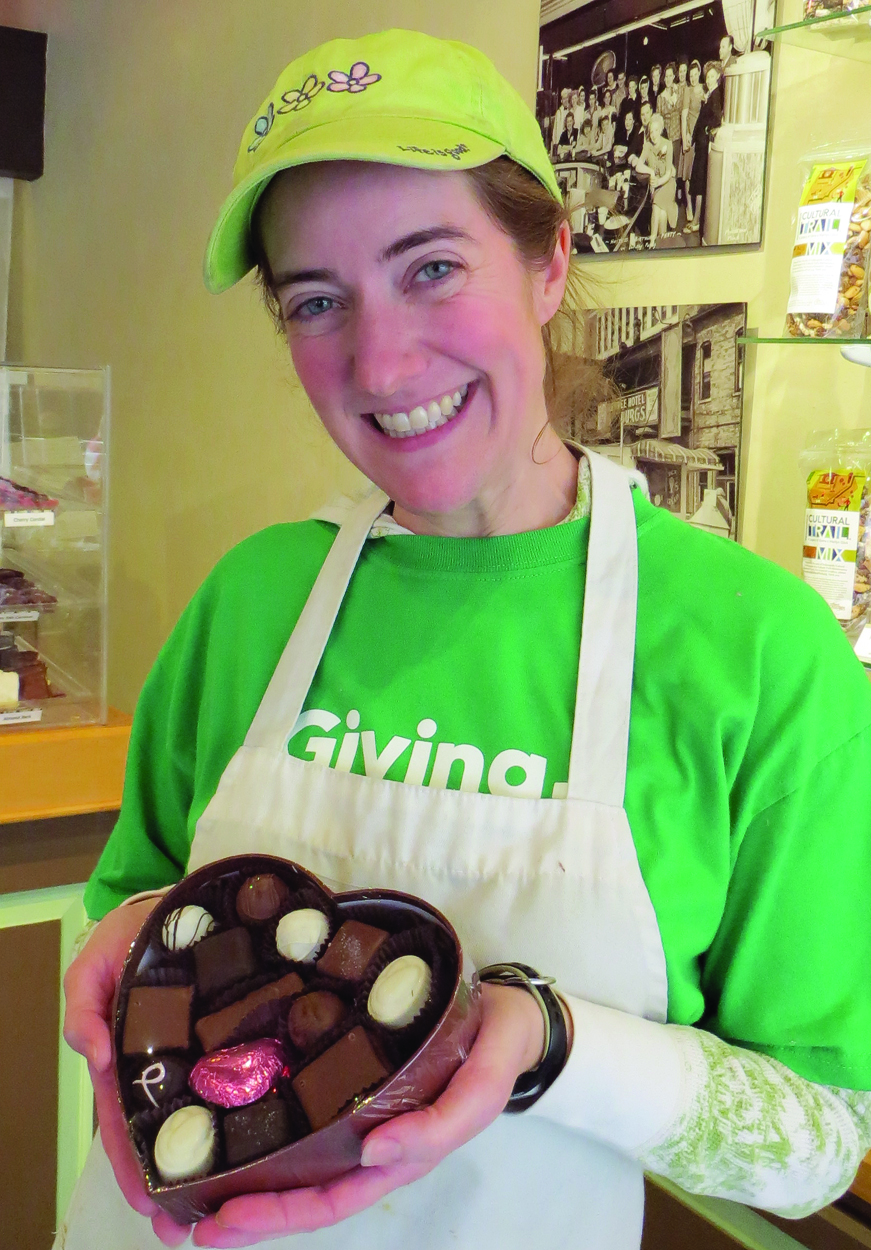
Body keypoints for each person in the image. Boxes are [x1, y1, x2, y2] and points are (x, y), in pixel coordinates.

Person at [57, 26, 871, 1250]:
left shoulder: (756, 650)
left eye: (431, 267)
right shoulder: (250, 599)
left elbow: (815, 1138)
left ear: (549, 262)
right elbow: (133, 901)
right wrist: (121, 950)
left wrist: (549, 1039)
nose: (381, 362)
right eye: (316, 301)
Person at [687, 60, 724, 237]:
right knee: (697, 183)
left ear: (717, 77)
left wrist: (706, 130)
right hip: (700, 145)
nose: (708, 80)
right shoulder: (710, 94)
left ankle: (696, 221)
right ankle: (696, 220)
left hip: (704, 146)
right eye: (707, 77)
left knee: (700, 184)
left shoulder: (715, 95)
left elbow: (716, 119)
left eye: (711, 76)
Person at [635, 111, 678, 247]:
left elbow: (669, 172)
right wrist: (651, 171)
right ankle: (661, 244)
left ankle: (653, 242)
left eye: (656, 130)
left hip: (667, 183)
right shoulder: (647, 145)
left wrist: (659, 181)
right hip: (656, 184)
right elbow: (638, 165)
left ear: (660, 130)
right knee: (662, 213)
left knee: (656, 206)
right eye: (651, 131)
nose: (653, 134)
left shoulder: (668, 144)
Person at [679, 58, 705, 223]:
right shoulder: (687, 91)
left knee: (698, 175)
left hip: (700, 138)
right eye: (691, 75)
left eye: (696, 75)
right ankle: (689, 206)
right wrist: (685, 137)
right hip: (689, 137)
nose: (693, 78)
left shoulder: (703, 89)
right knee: (687, 174)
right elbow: (683, 116)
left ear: (699, 74)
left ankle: (698, 210)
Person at [655, 62, 682, 179]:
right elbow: (658, 119)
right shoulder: (660, 97)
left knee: (675, 167)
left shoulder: (678, 92)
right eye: (666, 76)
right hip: (665, 137)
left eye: (670, 76)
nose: (668, 79)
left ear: (674, 77)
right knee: (665, 166)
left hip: (676, 136)